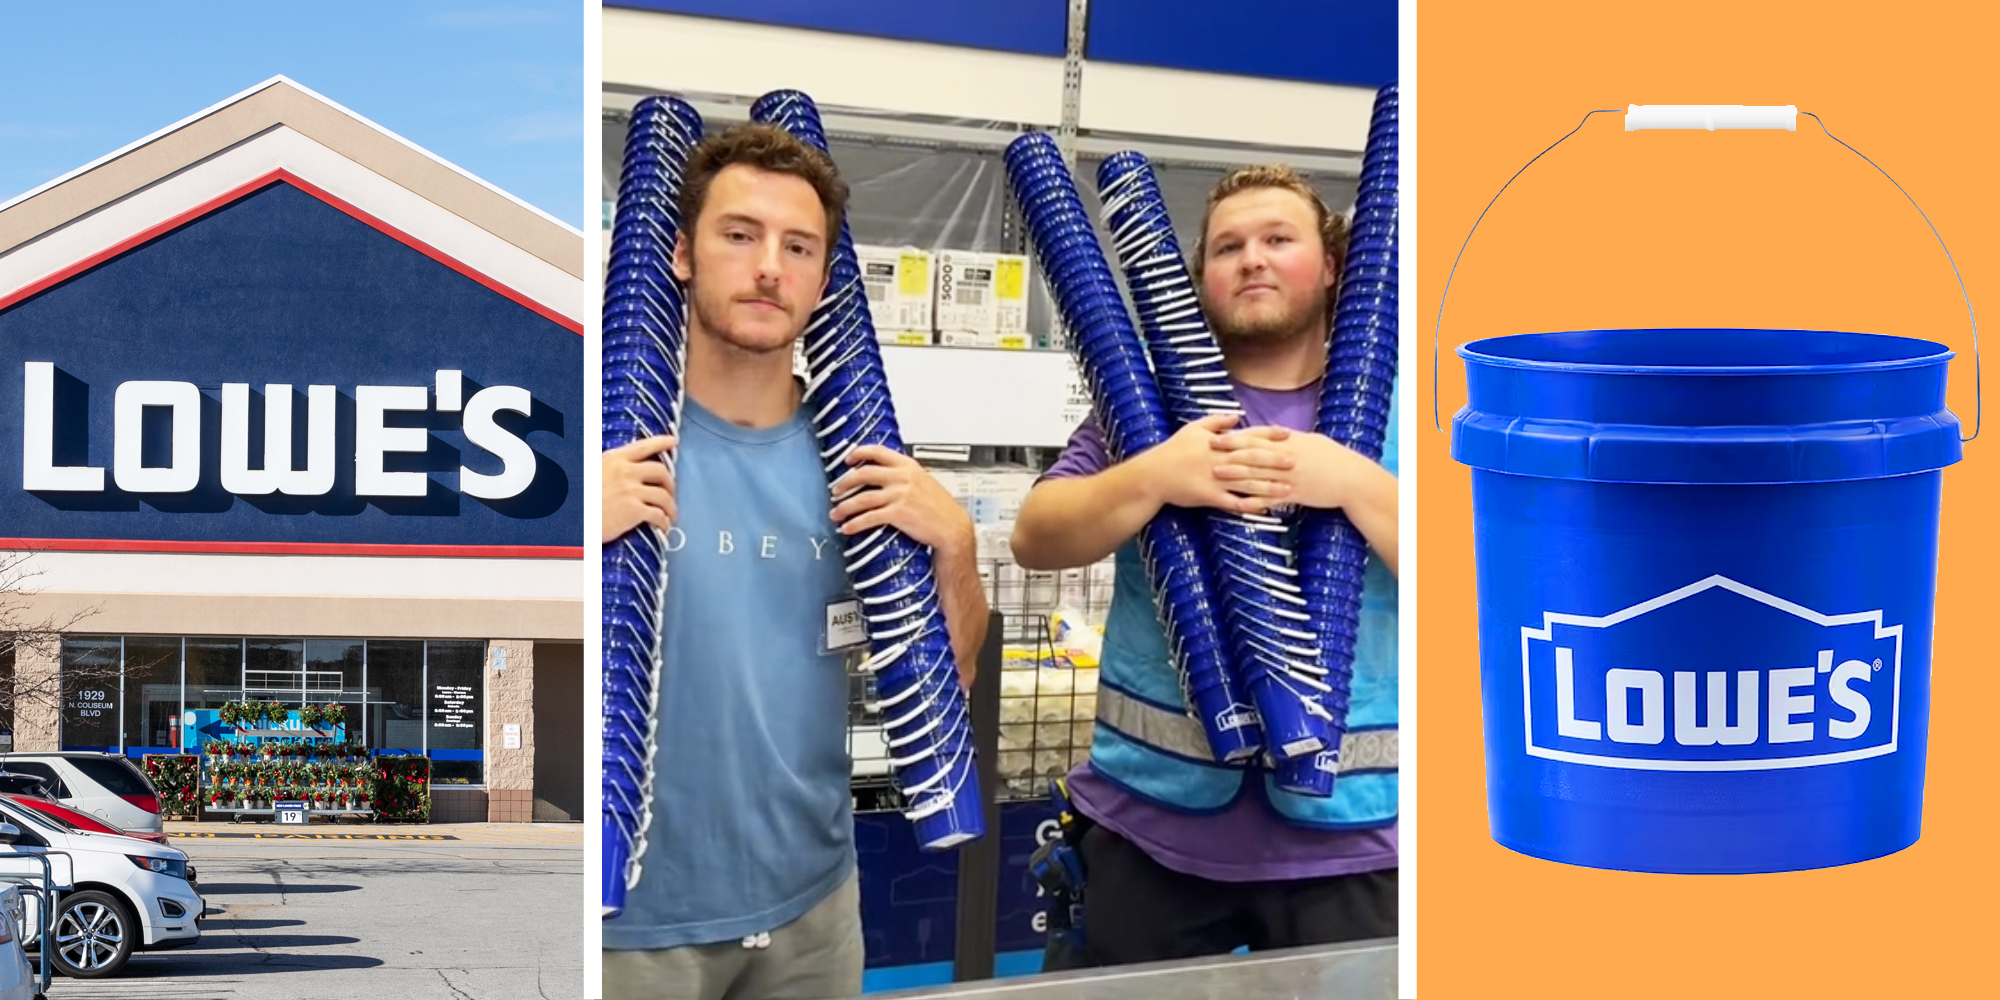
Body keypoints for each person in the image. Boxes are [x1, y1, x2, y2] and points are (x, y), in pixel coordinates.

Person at [600, 123, 989, 1000]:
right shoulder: (600, 454)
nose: (769, 266)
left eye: (798, 246)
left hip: (814, 914)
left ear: (822, 281)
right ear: (682, 257)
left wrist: (957, 548)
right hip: (630, 928)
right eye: (739, 235)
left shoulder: (865, 470)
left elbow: (949, 681)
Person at [1010, 164, 1399, 965]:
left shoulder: (1392, 415)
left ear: (1330, 266)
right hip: (1152, 834)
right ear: (1200, 279)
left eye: (1277, 239)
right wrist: (1154, 476)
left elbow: (1481, 576)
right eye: (1228, 247)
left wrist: (1354, 483)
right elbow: (1036, 537)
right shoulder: (1144, 411)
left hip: (1354, 847)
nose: (1251, 259)